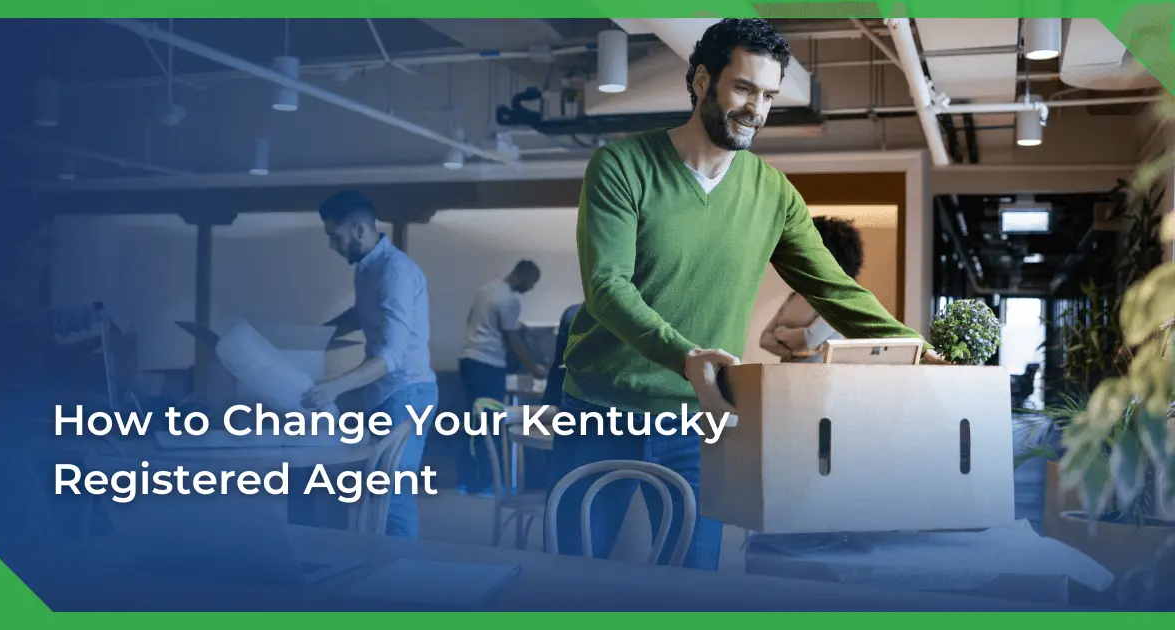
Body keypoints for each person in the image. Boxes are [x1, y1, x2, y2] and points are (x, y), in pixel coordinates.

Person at [553, 18, 947, 571]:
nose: (756, 110)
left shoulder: (773, 193)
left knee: (695, 578)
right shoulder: (623, 166)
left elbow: (832, 288)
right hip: (600, 407)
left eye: (768, 95)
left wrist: (909, 345)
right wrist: (683, 356)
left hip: (699, 419)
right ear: (701, 81)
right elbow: (606, 286)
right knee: (573, 573)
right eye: (743, 88)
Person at [302, 190, 438, 539]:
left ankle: (405, 577)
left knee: (394, 496)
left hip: (408, 392)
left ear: (359, 229)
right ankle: (384, 568)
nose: (332, 246)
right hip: (384, 393)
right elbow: (362, 315)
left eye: (336, 236)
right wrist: (313, 337)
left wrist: (332, 386)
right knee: (378, 490)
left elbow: (391, 357)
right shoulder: (367, 269)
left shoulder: (395, 272)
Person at [454, 260, 546, 496]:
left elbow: (469, 320)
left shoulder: (486, 289)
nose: (531, 288)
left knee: (471, 423)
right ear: (519, 273)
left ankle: (464, 482)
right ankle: (488, 484)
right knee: (492, 425)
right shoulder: (510, 300)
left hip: (468, 361)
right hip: (489, 365)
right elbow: (513, 340)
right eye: (531, 281)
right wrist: (533, 367)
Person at [760, 216, 864, 362]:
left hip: (819, 379)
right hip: (785, 377)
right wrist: (795, 350)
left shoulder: (839, 299)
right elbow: (764, 339)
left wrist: (779, 333)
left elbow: (809, 339)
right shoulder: (794, 297)